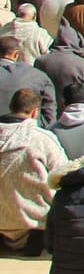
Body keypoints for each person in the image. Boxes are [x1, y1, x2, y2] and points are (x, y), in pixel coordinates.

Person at [0, 88, 71, 254]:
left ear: (11, 107)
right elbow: (64, 176)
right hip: (36, 225)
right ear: (34, 112)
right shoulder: (42, 139)